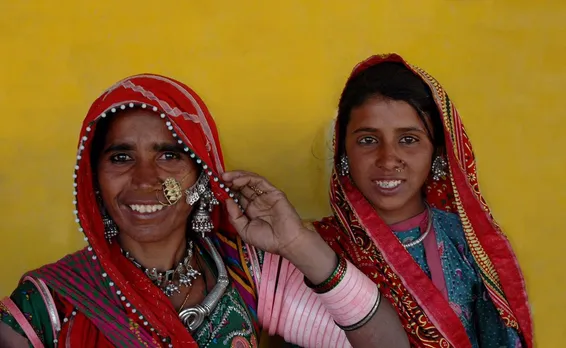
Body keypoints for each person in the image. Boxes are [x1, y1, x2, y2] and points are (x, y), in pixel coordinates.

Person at [0, 73, 408, 347]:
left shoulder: (242, 270)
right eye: (121, 158)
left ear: (202, 173)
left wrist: (297, 242)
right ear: (94, 181)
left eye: (169, 155)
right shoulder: (47, 304)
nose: (145, 179)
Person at [294, 53, 533, 347]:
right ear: (343, 150)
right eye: (368, 140)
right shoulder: (315, 248)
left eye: (408, 139)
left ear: (436, 150)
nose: (388, 159)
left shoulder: (467, 243)